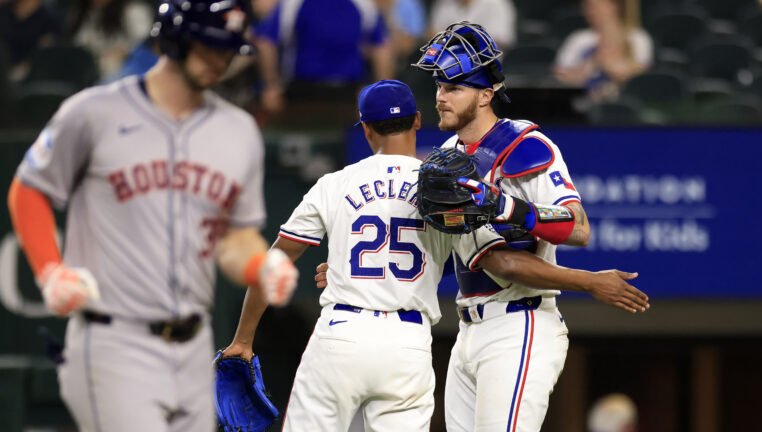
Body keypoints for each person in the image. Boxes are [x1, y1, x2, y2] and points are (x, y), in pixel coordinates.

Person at [224, 79, 648, 431]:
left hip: (342, 328)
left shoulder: (335, 183)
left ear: (366, 130)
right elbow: (498, 261)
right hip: (408, 344)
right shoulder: (442, 186)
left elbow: (273, 262)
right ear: (419, 122)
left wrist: (243, 340)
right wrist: (589, 281)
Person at [6, 1, 298, 431]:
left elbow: (234, 240)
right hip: (113, 340)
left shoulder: (239, 132)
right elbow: (29, 188)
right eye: (208, 46)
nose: (221, 59)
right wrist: (50, 270)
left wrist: (261, 264)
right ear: (174, 38)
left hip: (195, 345)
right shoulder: (94, 112)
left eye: (228, 49)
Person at [411, 21, 647, 431]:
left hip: (518, 324)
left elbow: (578, 228)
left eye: (453, 87)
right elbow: (447, 251)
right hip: (467, 329)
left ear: (486, 95)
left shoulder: (526, 145)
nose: (440, 97)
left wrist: (505, 205)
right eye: (438, 87)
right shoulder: (446, 154)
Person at [253, 0, 394, 125]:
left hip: (347, 94)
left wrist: (380, 91)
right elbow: (265, 42)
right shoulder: (293, 4)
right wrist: (271, 86)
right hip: (303, 93)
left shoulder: (364, 4)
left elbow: (382, 48)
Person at [553, 0, 652, 102]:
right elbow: (559, 75)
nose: (590, 11)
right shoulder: (579, 39)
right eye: (587, 6)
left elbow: (639, 77)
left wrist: (608, 65)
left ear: (613, 6)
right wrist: (587, 68)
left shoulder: (637, 38)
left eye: (595, 6)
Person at [70, 0, 153, 80]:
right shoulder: (84, 13)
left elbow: (144, 47)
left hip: (127, 74)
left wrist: (125, 53)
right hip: (91, 75)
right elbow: (79, 47)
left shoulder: (135, 11)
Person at [428, 0, 516, 49]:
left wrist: (449, 41)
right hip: (445, 64)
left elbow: (496, 42)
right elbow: (432, 35)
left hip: (484, 67)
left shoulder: (496, 3)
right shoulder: (445, 3)